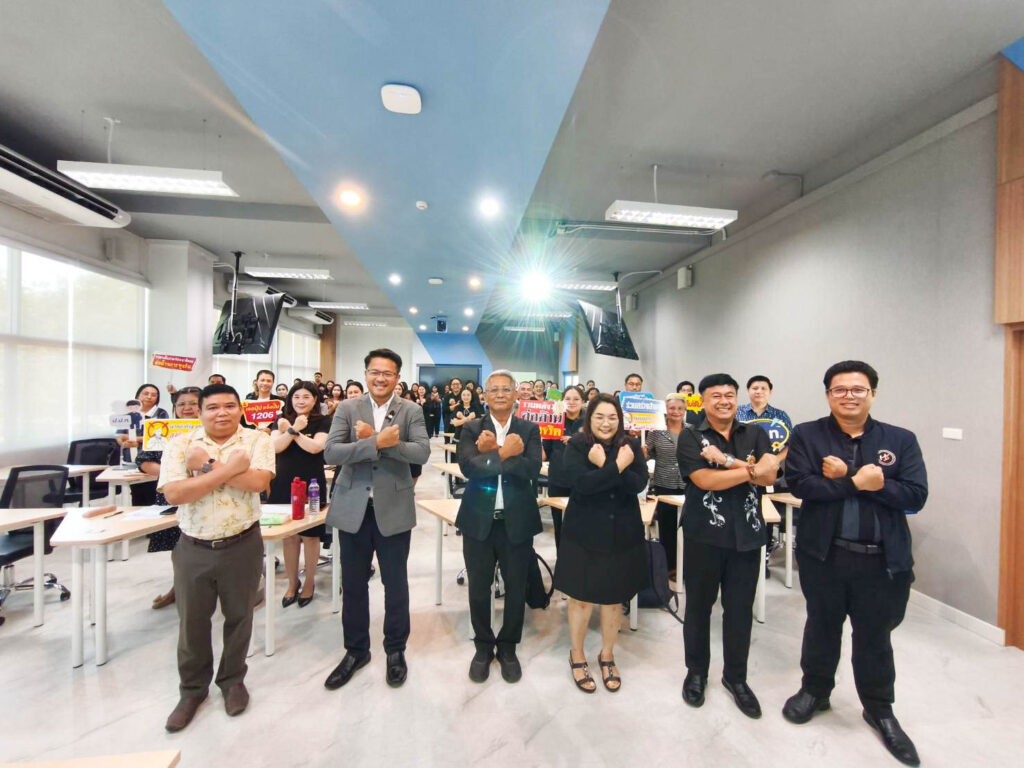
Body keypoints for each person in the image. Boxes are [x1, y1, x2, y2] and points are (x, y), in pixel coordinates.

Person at [781, 361, 927, 767]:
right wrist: (854, 482)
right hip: (824, 556)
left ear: (872, 394)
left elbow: (915, 495)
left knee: (875, 638)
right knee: (821, 627)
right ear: (828, 394)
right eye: (840, 389)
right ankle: (815, 691)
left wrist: (865, 481)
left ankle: (879, 709)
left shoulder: (900, 439)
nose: (849, 396)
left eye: (858, 389)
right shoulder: (808, 434)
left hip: (881, 562)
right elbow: (802, 485)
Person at [158, 383, 275, 732]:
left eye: (229, 406)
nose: (221, 413)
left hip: (243, 543)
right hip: (193, 546)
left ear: (240, 409)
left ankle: (232, 681)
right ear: (200, 411)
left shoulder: (257, 440)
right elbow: (175, 493)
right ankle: (192, 690)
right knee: (192, 622)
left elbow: (258, 483)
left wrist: (205, 466)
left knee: (240, 616)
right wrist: (226, 470)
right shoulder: (180, 444)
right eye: (213, 407)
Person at [323, 349, 429, 690]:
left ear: (397, 377)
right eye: (374, 372)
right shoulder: (347, 407)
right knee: (353, 584)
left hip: (393, 508)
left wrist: (384, 444)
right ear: (366, 373)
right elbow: (331, 452)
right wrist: (375, 442)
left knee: (395, 584)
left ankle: (395, 650)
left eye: (387, 373)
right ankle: (356, 651)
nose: (380, 378)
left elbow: (422, 452)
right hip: (353, 507)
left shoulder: (411, 410)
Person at [676, 373, 779, 718]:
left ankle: (736, 678)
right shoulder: (691, 436)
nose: (724, 401)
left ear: (737, 398)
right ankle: (696, 672)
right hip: (703, 536)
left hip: (747, 536)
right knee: (698, 608)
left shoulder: (755, 433)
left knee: (739, 611)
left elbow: (771, 476)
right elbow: (705, 480)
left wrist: (729, 462)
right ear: (703, 401)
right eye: (716, 395)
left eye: (729, 395)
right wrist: (750, 469)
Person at [554, 394, 648, 693]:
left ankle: (607, 655)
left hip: (622, 531)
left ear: (619, 419)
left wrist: (606, 465)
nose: (606, 423)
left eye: (612, 417)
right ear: (589, 418)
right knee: (581, 598)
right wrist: (616, 466)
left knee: (613, 598)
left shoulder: (631, 445)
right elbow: (583, 485)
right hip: (583, 531)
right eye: (599, 417)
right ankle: (577, 654)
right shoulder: (577, 446)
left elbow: (638, 485)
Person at [455, 370, 542, 684]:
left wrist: (490, 455)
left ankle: (508, 647)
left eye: (507, 389)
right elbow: (469, 469)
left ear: (516, 394)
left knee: (516, 588)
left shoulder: (529, 429)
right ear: (485, 395)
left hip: (516, 522)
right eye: (494, 389)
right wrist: (505, 452)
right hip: (478, 522)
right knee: (478, 588)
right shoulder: (471, 428)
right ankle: (482, 646)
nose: (501, 394)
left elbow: (532, 469)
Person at [137, 386, 202, 609]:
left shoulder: (213, 430)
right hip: (174, 493)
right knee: (179, 546)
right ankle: (179, 588)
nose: (187, 408)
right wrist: (173, 473)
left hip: (207, 493)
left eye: (193, 403)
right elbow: (144, 462)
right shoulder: (162, 430)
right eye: (181, 404)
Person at [270, 382, 330, 608]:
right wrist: (293, 428)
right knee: (289, 536)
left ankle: (309, 582)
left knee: (310, 535)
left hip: (312, 484)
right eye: (296, 397)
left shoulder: (323, 421)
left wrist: (293, 431)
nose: (301, 401)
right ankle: (292, 582)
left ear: (315, 400)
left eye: (306, 396)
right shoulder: (280, 420)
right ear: (290, 399)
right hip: (283, 482)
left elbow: (315, 447)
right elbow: (275, 447)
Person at [736, 375, 794, 576]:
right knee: (741, 511)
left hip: (770, 474)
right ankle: (741, 557)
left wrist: (775, 461)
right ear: (748, 391)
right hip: (742, 471)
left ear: (770, 391)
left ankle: (763, 559)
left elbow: (790, 443)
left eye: (763, 388)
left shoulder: (780, 416)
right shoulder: (738, 413)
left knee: (764, 515)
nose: (758, 391)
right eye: (754, 388)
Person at [644, 393, 688, 577]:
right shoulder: (656, 431)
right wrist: (643, 452)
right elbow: (648, 454)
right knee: (667, 527)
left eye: (680, 408)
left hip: (687, 484)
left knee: (687, 527)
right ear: (665, 410)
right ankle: (670, 566)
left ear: (685, 410)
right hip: (664, 484)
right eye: (672, 408)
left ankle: (686, 564)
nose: (676, 412)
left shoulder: (691, 431)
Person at [541, 386, 585, 548]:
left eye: (576, 399)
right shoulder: (554, 419)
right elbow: (545, 453)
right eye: (568, 399)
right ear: (562, 401)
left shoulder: (590, 422)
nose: (572, 402)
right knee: (558, 523)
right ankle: (561, 557)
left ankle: (579, 557)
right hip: (558, 479)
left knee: (580, 522)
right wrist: (535, 437)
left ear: (583, 401)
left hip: (582, 480)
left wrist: (575, 440)